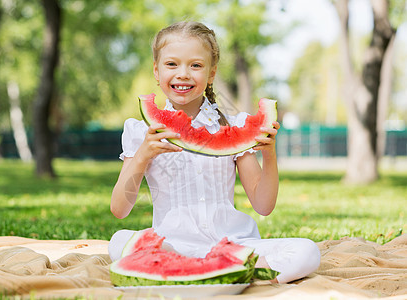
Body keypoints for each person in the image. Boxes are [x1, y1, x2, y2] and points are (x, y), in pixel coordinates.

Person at [109, 21, 320, 283]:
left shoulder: (234, 126)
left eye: (195, 65)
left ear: (211, 74)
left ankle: (199, 273)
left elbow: (263, 206)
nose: (183, 74)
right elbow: (119, 209)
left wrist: (269, 154)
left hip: (233, 243)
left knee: (308, 251)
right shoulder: (141, 131)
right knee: (118, 242)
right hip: (173, 246)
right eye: (172, 64)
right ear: (156, 70)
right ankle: (232, 274)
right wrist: (142, 155)